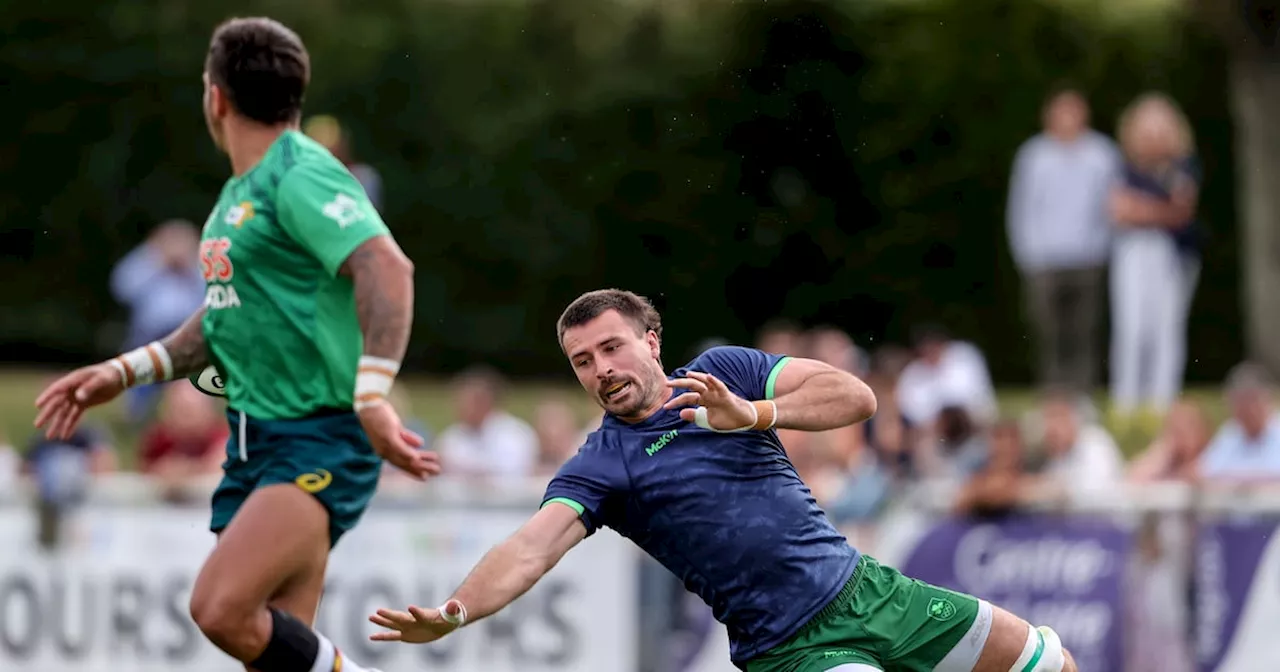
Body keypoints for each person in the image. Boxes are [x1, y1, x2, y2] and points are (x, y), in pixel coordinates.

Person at [367, 289, 1079, 672]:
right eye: (582, 361)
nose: (600, 368)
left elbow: (856, 398)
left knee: (1051, 663)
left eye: (611, 346)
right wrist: (456, 611)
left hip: (869, 590)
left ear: (650, 341)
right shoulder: (601, 463)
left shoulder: (726, 374)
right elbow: (529, 549)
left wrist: (753, 414)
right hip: (791, 649)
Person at [32, 17, 439, 672]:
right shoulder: (237, 196)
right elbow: (223, 320)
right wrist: (128, 370)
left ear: (214, 96)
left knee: (219, 608)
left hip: (317, 436)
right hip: (259, 442)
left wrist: (371, 394)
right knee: (271, 653)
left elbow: (386, 266)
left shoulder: (300, 174)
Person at [1108, 92, 1202, 438]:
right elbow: (1119, 211)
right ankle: (1126, 400)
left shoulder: (1183, 166)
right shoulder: (1123, 166)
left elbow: (1181, 213)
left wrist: (1142, 211)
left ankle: (1160, 400)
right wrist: (1159, 212)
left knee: (1167, 327)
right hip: (1133, 251)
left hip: (1172, 255)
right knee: (1132, 326)